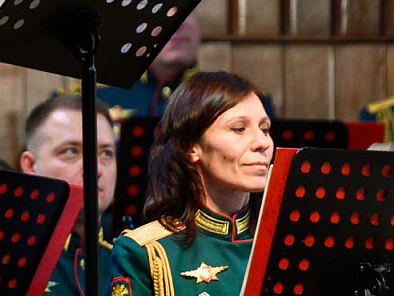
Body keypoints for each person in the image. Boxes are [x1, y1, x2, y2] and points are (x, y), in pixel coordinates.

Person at [107, 71, 273, 296]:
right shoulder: (146, 252)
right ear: (190, 147)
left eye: (264, 129)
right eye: (239, 129)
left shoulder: (286, 243)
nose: (262, 142)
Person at [19, 95, 118, 296]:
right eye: (71, 151)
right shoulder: (10, 261)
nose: (96, 169)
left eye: (106, 153)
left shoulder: (128, 264)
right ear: (31, 166)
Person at [97, 14, 201, 122]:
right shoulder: (101, 94)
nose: (177, 23)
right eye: (162, 11)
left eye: (187, 12)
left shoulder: (212, 96)